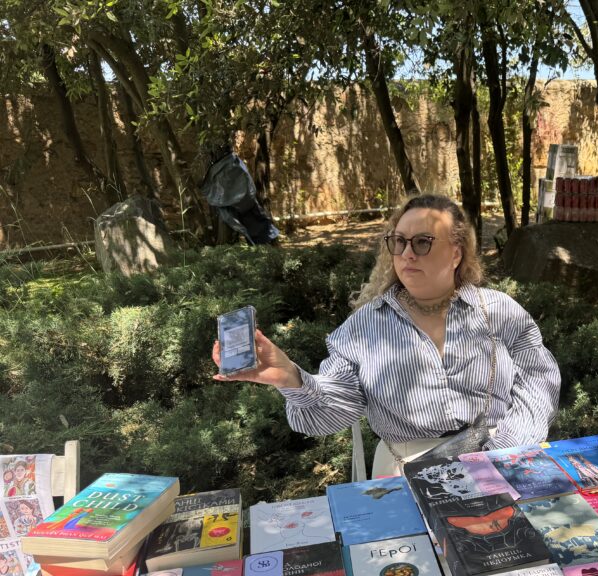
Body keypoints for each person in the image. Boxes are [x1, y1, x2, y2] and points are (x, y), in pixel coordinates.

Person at [212, 193, 560, 477]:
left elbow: (538, 381)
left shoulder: (499, 311)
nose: (407, 253)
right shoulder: (364, 328)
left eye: (422, 242)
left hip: (501, 458)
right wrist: (292, 379)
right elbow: (333, 411)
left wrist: (504, 452)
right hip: (405, 472)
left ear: (456, 253)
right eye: (399, 242)